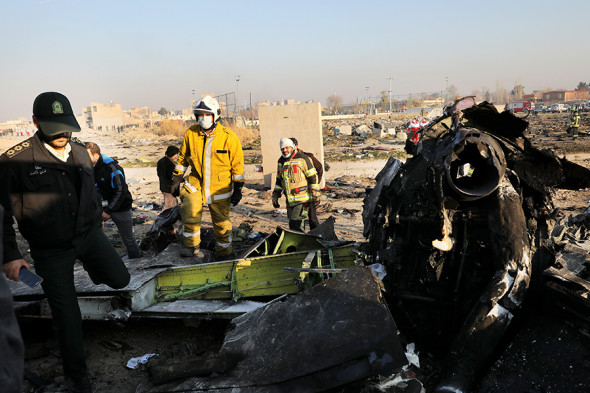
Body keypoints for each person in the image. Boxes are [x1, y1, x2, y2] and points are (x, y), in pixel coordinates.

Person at [0, 92, 130, 393]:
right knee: (66, 314)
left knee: (120, 277)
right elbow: (3, 214)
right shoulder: (14, 161)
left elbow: (91, 189)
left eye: (66, 126)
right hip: (50, 249)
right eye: (54, 127)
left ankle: (94, 266)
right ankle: (77, 375)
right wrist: (10, 255)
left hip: (88, 235)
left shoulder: (81, 152)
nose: (63, 134)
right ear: (35, 122)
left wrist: (97, 213)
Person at [172, 95, 245, 260]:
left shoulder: (229, 137)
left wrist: (238, 188)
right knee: (190, 212)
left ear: (215, 115)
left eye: (207, 114)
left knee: (221, 224)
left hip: (219, 188)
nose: (203, 118)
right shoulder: (190, 133)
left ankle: (224, 254)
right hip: (195, 183)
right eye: (200, 115)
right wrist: (176, 179)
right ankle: (191, 248)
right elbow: (182, 159)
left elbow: (237, 166)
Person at [85, 142, 141, 259]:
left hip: (121, 208)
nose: (84, 159)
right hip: (104, 207)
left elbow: (121, 191)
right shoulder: (91, 167)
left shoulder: (112, 168)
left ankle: (136, 260)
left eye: (87, 156)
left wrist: (108, 211)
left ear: (96, 156)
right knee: (97, 236)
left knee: (128, 238)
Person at [272, 138, 320, 232]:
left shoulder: (303, 159)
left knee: (296, 223)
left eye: (287, 147)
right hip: (290, 201)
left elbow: (312, 176)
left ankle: (301, 243)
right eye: (282, 149)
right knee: (293, 224)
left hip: (303, 199)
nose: (285, 150)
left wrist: (316, 193)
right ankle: (301, 242)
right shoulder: (281, 161)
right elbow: (279, 180)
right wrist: (276, 194)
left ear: (293, 147)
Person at [289, 137, 323, 230]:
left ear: (296, 146)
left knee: (312, 217)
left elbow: (319, 168)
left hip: (309, 192)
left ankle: (316, 235)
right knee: (298, 218)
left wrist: (314, 185)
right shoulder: (287, 159)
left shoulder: (307, 157)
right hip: (297, 194)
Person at [157, 146, 180, 211]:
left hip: (164, 186)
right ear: (172, 153)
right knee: (168, 207)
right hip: (169, 188)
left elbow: (159, 174)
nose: (176, 156)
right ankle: (162, 220)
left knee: (172, 206)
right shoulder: (169, 163)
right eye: (176, 154)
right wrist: (182, 179)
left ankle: (171, 220)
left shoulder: (161, 161)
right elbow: (172, 176)